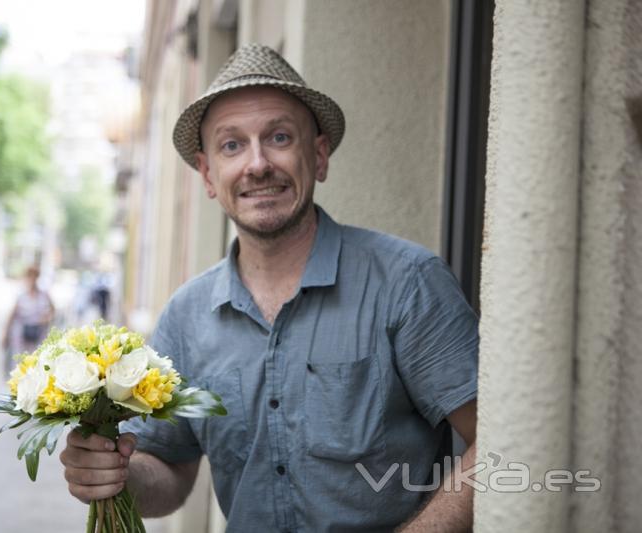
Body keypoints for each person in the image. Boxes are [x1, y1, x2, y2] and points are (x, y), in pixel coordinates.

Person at [60, 44, 479, 532]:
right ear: (208, 175)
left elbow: (498, 439)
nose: (257, 164)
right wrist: (118, 474)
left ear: (318, 156)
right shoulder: (186, 316)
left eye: (279, 137)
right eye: (232, 145)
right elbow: (170, 470)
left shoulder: (408, 284)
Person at [2, 266, 55, 370]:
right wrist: (5, 334)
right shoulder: (21, 296)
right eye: (29, 276)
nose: (31, 279)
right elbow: (12, 315)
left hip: (39, 333)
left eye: (34, 276)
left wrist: (47, 318)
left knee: (37, 361)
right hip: (22, 335)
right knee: (21, 363)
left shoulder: (44, 294)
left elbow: (53, 310)